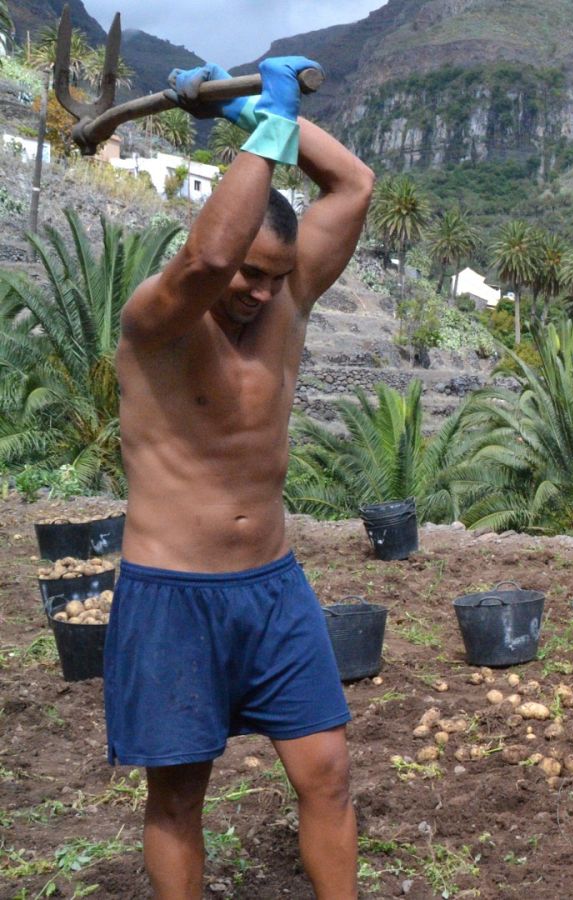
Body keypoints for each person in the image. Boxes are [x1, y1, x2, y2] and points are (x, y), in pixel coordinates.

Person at [105, 57, 373, 899]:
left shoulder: (288, 296)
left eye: (274, 276)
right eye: (249, 274)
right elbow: (209, 255)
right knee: (179, 796)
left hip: (273, 587)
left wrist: (255, 110)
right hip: (172, 592)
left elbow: (354, 185)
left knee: (327, 772)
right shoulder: (159, 316)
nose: (258, 291)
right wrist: (268, 134)